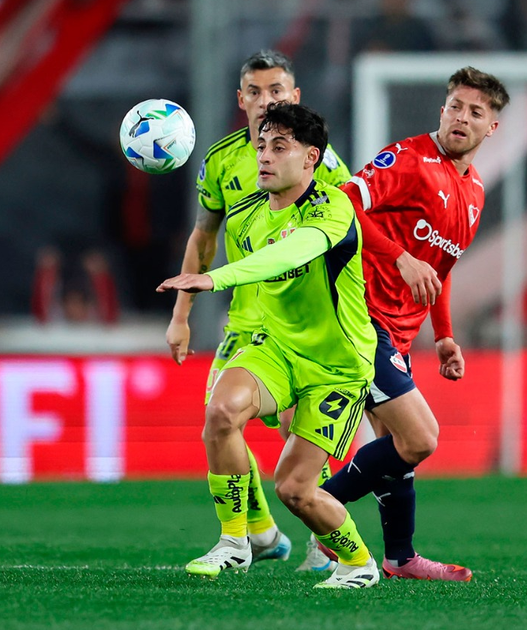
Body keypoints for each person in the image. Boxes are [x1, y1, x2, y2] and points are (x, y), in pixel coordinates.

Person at [158, 102, 380, 590]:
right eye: (261, 145)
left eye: (280, 147)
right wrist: (199, 320)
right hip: (275, 348)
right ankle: (235, 541)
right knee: (220, 413)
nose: (264, 156)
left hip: (337, 365)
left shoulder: (333, 207)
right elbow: (255, 285)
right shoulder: (245, 218)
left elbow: (288, 254)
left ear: (311, 158)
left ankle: (359, 562)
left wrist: (213, 279)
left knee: (295, 490)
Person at [321, 66, 510, 581]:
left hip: (400, 332)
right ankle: (320, 508)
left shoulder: (475, 192)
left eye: (475, 112)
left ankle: (400, 558)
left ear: (491, 127)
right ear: (442, 110)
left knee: (398, 451)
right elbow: (342, 204)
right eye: (455, 106)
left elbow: (440, 267)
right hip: (359, 317)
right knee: (421, 438)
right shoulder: (408, 159)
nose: (461, 118)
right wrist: (399, 257)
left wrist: (444, 335)